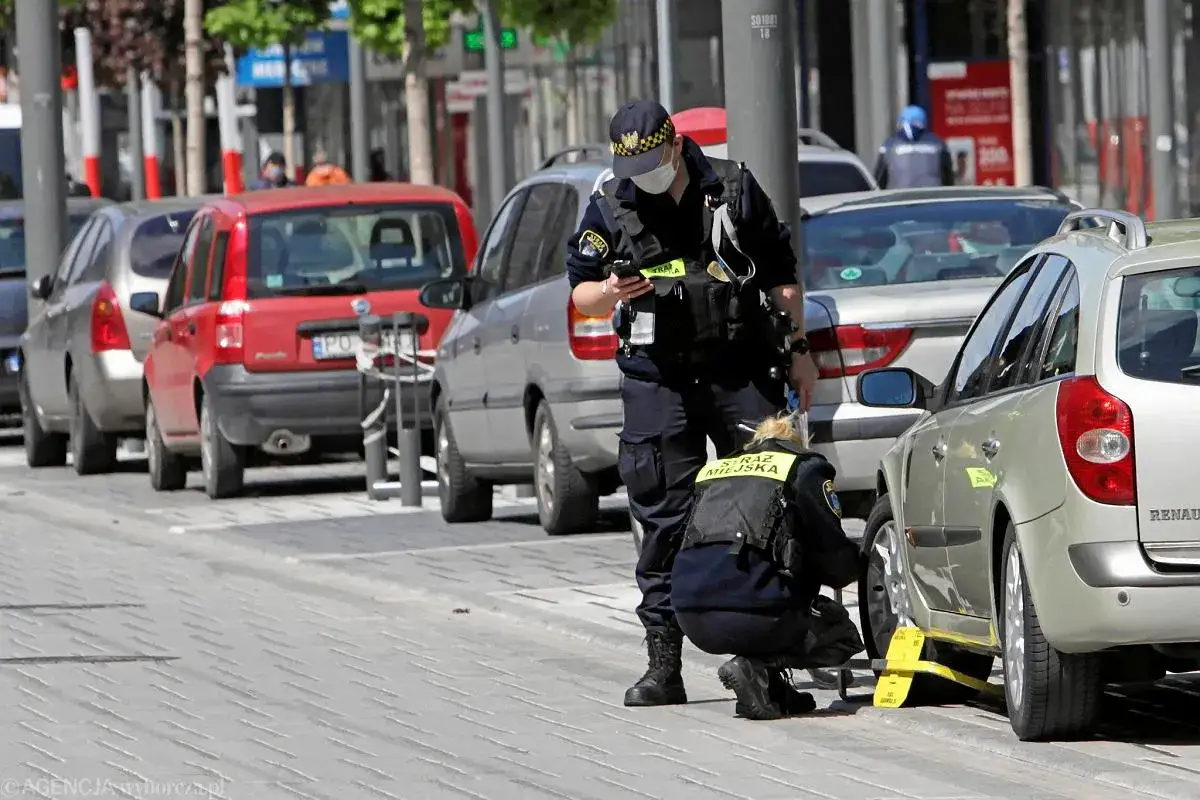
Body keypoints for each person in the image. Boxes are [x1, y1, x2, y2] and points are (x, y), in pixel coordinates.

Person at [565, 100, 820, 708]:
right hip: (658, 379)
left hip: (737, 366)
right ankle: (663, 663)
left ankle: (763, 662)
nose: (647, 174)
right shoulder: (610, 204)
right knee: (663, 517)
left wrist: (800, 347)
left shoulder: (730, 190)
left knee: (765, 504)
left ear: (675, 145)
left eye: (654, 160)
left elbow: (780, 269)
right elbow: (580, 294)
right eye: (635, 166)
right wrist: (607, 290)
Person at [672, 411, 865, 720]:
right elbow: (837, 565)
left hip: (691, 616)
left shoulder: (714, 470)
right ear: (796, 441)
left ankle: (769, 690)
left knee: (765, 582)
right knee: (838, 631)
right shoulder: (805, 468)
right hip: (754, 616)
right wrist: (863, 562)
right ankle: (756, 667)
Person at [873, 105, 954, 189]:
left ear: (901, 122)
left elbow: (879, 180)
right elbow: (948, 180)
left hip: (899, 199)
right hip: (932, 198)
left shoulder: (889, 145)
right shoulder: (938, 144)